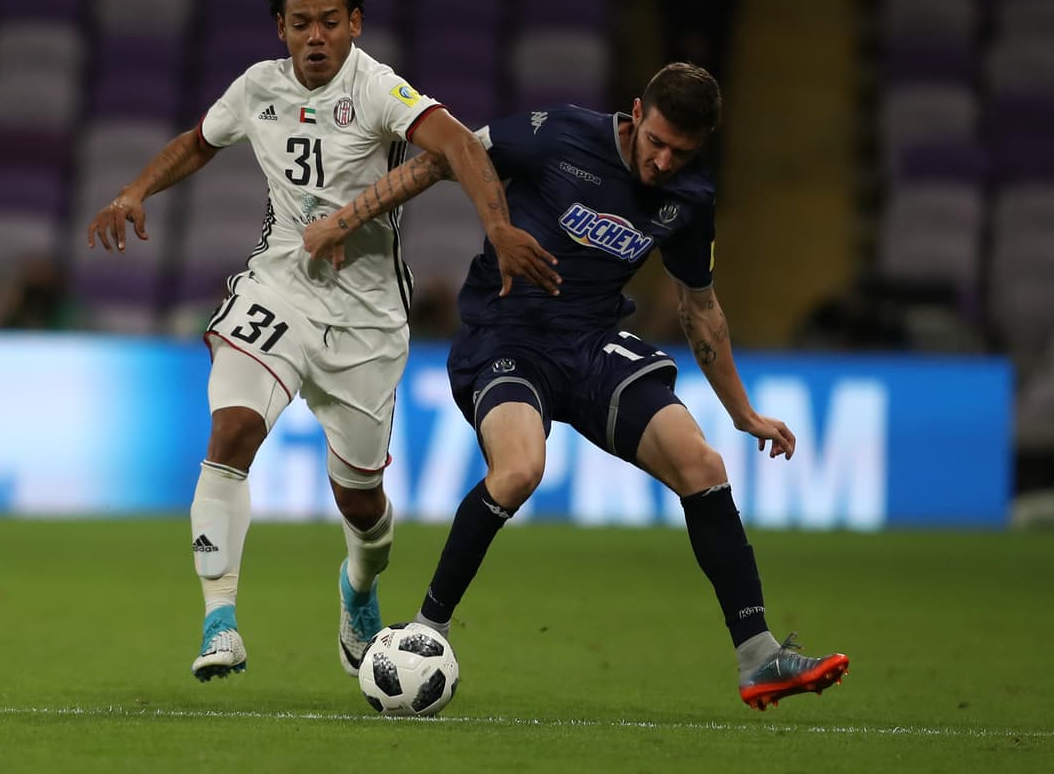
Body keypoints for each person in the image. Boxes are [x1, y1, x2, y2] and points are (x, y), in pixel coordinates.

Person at [304, 62, 849, 711]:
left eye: (681, 152)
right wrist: (343, 220)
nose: (664, 162)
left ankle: (759, 657)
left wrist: (743, 411)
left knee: (702, 465)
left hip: (591, 345)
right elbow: (448, 157)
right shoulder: (556, 134)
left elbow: (699, 308)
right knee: (520, 470)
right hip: (505, 338)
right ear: (636, 113)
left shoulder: (691, 196)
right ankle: (427, 629)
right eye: (657, 142)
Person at [86, 0, 558, 683]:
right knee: (231, 430)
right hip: (279, 288)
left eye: (330, 22)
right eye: (301, 23)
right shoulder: (257, 87)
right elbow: (198, 143)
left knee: (361, 503)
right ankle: (219, 622)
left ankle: (358, 589)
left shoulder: (377, 89)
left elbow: (459, 145)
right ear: (281, 27)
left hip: (367, 317)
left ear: (355, 23)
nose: (316, 37)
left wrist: (496, 226)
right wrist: (136, 190)